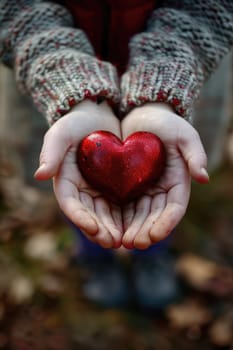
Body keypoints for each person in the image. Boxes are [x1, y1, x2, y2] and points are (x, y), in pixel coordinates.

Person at [0, 0, 233, 309]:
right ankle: (95, 254)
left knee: (171, 170)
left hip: (183, 65)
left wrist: (163, 84)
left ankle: (152, 253)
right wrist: (68, 83)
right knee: (68, 170)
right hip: (51, 72)